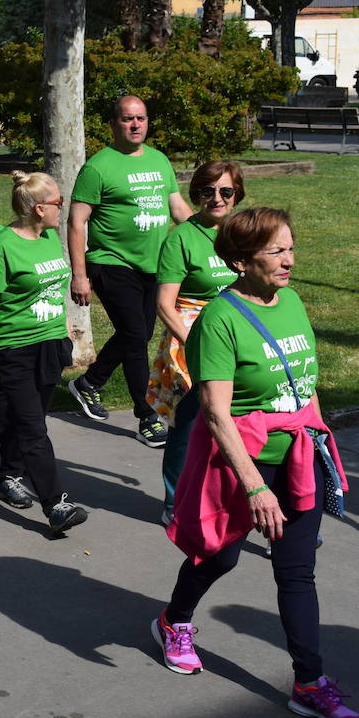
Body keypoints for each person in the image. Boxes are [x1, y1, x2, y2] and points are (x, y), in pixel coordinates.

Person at [152, 207, 359, 718]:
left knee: (296, 573)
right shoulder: (220, 320)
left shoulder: (290, 301)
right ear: (243, 261)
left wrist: (315, 443)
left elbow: (305, 382)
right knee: (218, 558)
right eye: (277, 251)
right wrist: (254, 488)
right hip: (239, 463)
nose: (289, 260)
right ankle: (173, 620)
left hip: (296, 459)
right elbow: (217, 412)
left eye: (290, 248)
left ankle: (309, 684)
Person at [67, 95, 191, 447]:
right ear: (114, 124)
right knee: (136, 336)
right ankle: (146, 416)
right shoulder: (99, 167)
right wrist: (80, 274)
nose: (135, 125)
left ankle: (89, 382)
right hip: (111, 262)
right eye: (127, 119)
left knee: (135, 334)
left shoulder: (158, 160)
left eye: (141, 118)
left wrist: (210, 233)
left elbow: (177, 207)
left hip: (154, 265)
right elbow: (77, 221)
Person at [0, 171, 86, 534]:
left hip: (50, 344)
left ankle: (8, 474)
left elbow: (52, 285)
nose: (61, 210)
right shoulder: (1, 246)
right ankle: (56, 504)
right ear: (38, 209)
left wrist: (63, 326)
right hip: (12, 347)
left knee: (26, 421)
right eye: (57, 204)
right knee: (33, 428)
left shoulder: (50, 237)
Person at [147, 160, 243, 524]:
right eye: (207, 191)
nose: (216, 198)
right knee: (188, 424)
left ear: (237, 195)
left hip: (236, 330)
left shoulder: (240, 232)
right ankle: (175, 500)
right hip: (191, 333)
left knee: (239, 422)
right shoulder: (182, 238)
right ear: (196, 194)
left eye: (225, 191)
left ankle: (235, 499)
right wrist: (198, 343)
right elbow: (164, 306)